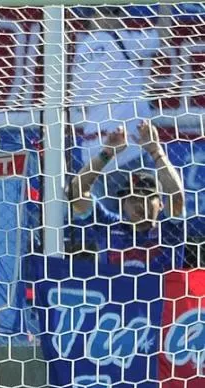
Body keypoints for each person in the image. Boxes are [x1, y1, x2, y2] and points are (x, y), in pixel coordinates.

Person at [66, 120, 185, 273]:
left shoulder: (170, 231)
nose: (140, 203)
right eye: (133, 198)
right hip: (113, 289)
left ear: (161, 204)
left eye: (147, 197)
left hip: (161, 289)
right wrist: (107, 153)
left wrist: (156, 151)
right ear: (122, 203)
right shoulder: (108, 226)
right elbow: (75, 192)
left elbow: (177, 196)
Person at [68, 5, 162, 168]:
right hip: (127, 146)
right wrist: (167, 6)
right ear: (93, 15)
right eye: (114, 11)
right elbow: (162, 36)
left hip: (93, 151)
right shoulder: (118, 38)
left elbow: (78, 104)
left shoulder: (80, 52)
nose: (120, 17)